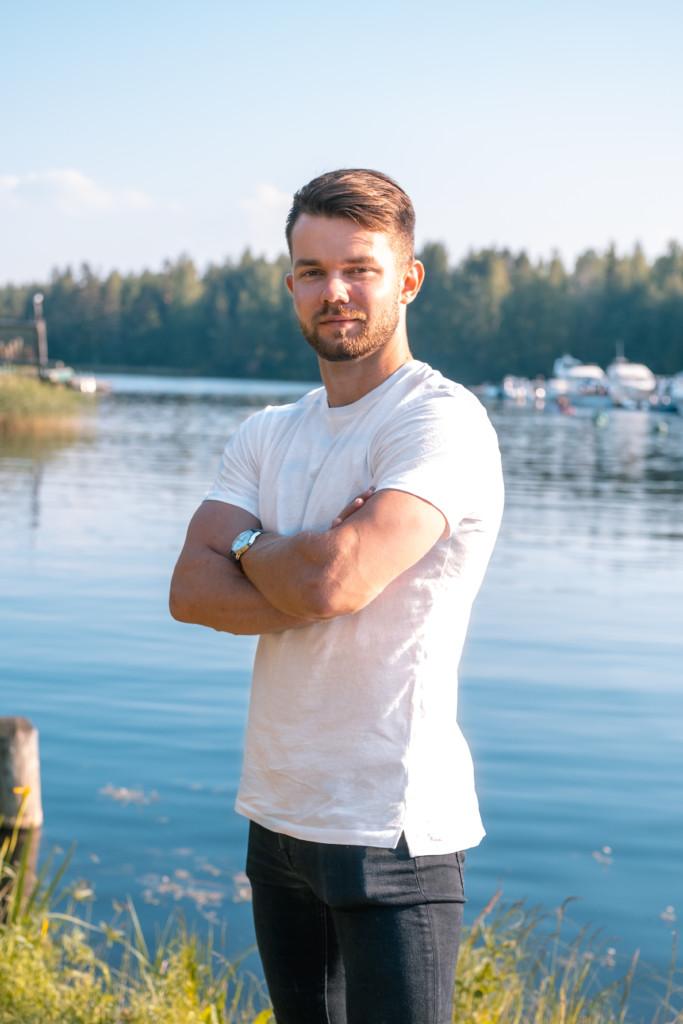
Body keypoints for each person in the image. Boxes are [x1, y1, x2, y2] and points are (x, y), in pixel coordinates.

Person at [169, 168, 504, 1024]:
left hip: (391, 829)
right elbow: (189, 588)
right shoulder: (266, 432)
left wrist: (277, 565)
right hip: (278, 818)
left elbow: (336, 578)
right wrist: (278, 557)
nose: (336, 292)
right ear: (290, 285)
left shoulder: (439, 422)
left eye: (359, 267)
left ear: (407, 279)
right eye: (312, 272)